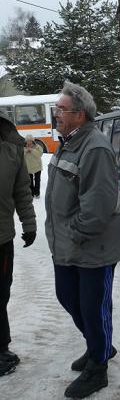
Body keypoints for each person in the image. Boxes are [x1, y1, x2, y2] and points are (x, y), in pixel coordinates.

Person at [45, 81, 120, 399]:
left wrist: (75, 232)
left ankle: (98, 367)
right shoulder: (68, 142)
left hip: (92, 246)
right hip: (68, 244)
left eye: (61, 109)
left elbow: (99, 205)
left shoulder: (96, 147)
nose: (56, 114)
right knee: (69, 298)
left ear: (79, 115)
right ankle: (98, 345)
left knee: (93, 308)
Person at [0, 110, 36, 377]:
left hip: (1, 239)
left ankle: (1, 347)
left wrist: (29, 224)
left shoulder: (12, 151)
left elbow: (22, 191)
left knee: (1, 294)